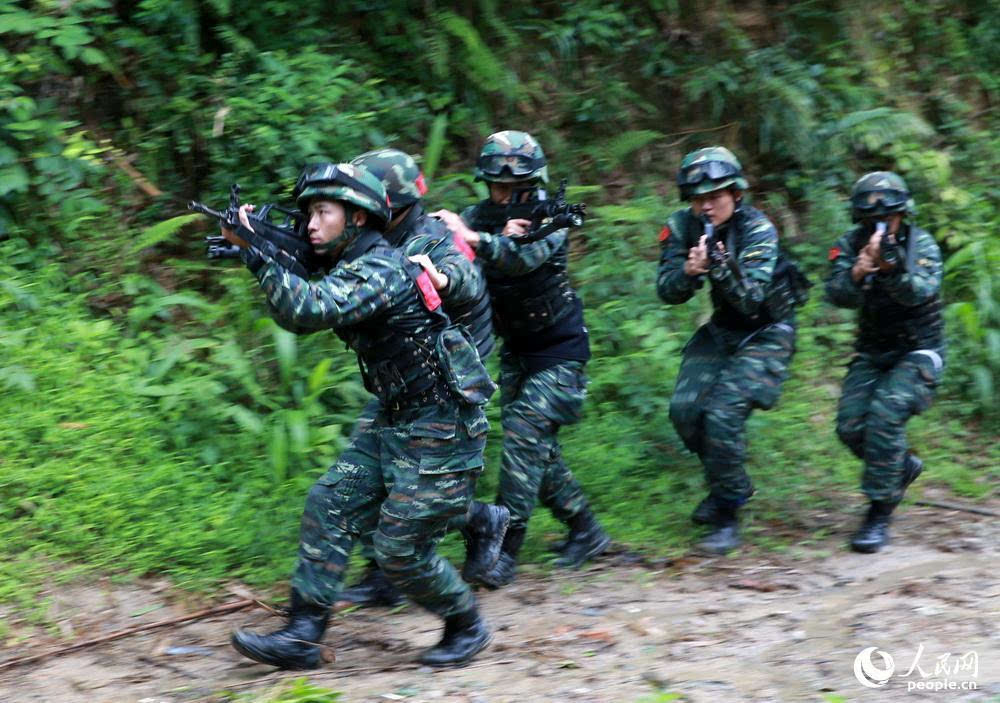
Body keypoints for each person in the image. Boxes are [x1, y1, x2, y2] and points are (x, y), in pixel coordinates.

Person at [224, 162, 496, 668]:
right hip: (397, 415)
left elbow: (305, 310)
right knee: (329, 504)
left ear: (357, 218)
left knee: (400, 551)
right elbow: (308, 277)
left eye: (321, 212)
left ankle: (466, 622)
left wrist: (259, 256)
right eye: (307, 213)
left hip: (440, 423)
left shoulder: (382, 269)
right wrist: (257, 244)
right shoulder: (357, 262)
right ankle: (303, 634)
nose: (309, 224)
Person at [433, 130, 610, 588]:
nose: (505, 195)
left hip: (560, 348)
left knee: (521, 436)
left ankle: (504, 550)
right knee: (535, 452)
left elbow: (520, 260)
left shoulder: (549, 217)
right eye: (497, 186)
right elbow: (452, 253)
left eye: (515, 188)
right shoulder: (481, 216)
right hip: (518, 349)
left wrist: (478, 238)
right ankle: (586, 530)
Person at [335, 148, 508, 608]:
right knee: (377, 468)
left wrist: (443, 281)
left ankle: (477, 520)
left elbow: (463, 275)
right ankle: (384, 574)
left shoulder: (431, 239)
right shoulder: (377, 238)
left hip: (449, 380)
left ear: (388, 202)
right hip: (406, 376)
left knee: (415, 479)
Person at [657, 146, 803, 555]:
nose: (706, 206)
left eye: (715, 197)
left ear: (736, 194)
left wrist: (719, 265)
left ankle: (728, 512)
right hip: (723, 330)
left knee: (721, 415)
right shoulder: (681, 226)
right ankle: (729, 485)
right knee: (685, 411)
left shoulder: (758, 229)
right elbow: (666, 290)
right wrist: (688, 272)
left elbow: (751, 299)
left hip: (767, 332)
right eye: (698, 199)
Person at [826, 171, 943, 553]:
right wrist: (858, 272)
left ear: (902, 215)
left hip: (919, 350)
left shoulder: (921, 244)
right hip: (874, 351)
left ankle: (879, 511)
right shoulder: (850, 243)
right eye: (872, 220)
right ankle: (900, 465)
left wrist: (892, 269)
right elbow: (835, 293)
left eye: (889, 219)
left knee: (887, 412)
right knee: (850, 426)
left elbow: (920, 293)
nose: (880, 227)